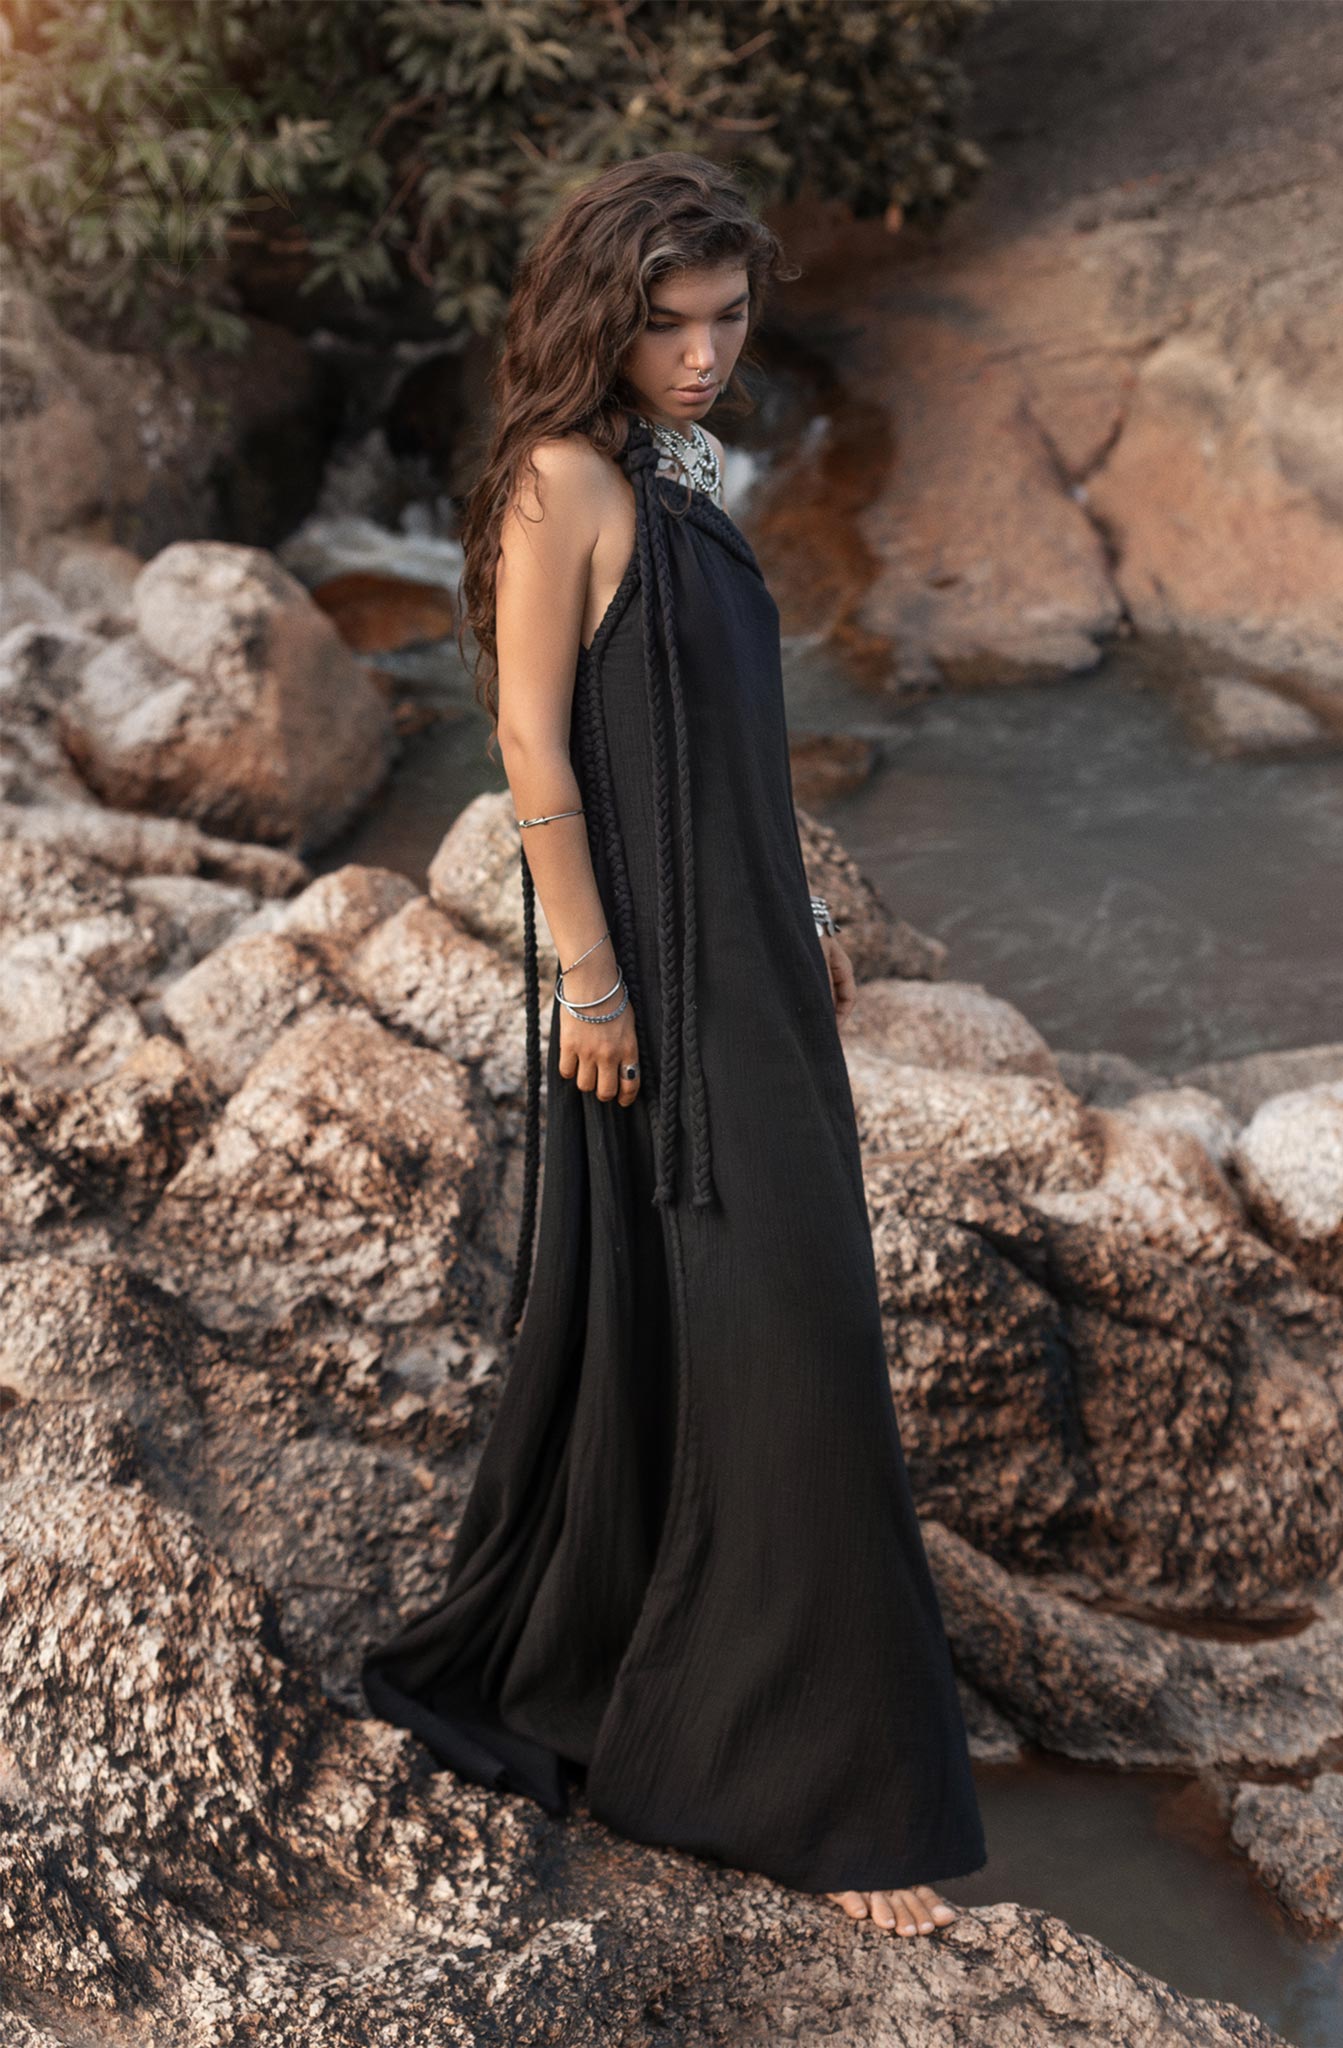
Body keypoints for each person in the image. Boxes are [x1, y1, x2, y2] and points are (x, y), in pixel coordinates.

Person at [361, 151, 987, 1939]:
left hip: (749, 964)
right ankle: (822, 1800)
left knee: (762, 1322)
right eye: (669, 323)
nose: (706, 355)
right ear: (601, 317)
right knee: (784, 1338)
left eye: (726, 319)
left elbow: (726, 721)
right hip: (652, 984)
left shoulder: (671, 465)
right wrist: (603, 986)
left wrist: (794, 909)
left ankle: (697, 1696)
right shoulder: (562, 478)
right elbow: (532, 752)